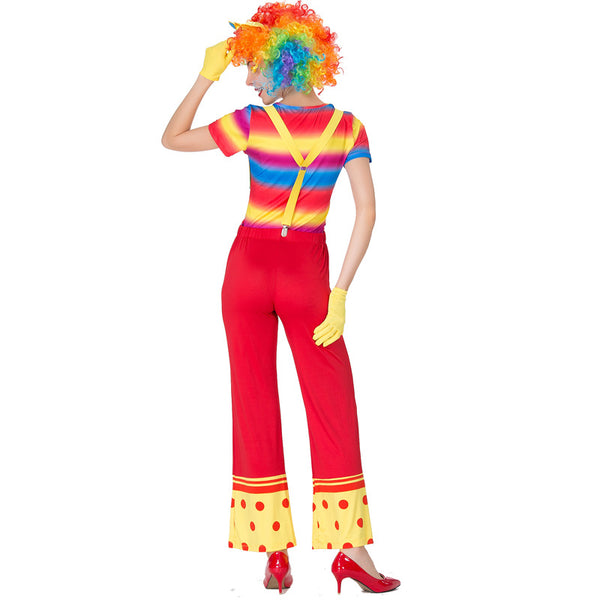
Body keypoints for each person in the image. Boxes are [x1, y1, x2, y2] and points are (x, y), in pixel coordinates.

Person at [161, 1, 400, 594]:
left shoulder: (251, 123)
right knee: (333, 406)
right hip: (306, 275)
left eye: (251, 66)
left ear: (280, 63)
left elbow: (172, 138)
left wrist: (204, 75)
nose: (247, 79)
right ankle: (352, 553)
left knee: (254, 402)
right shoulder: (349, 128)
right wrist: (339, 293)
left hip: (245, 270)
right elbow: (367, 211)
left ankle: (274, 552)